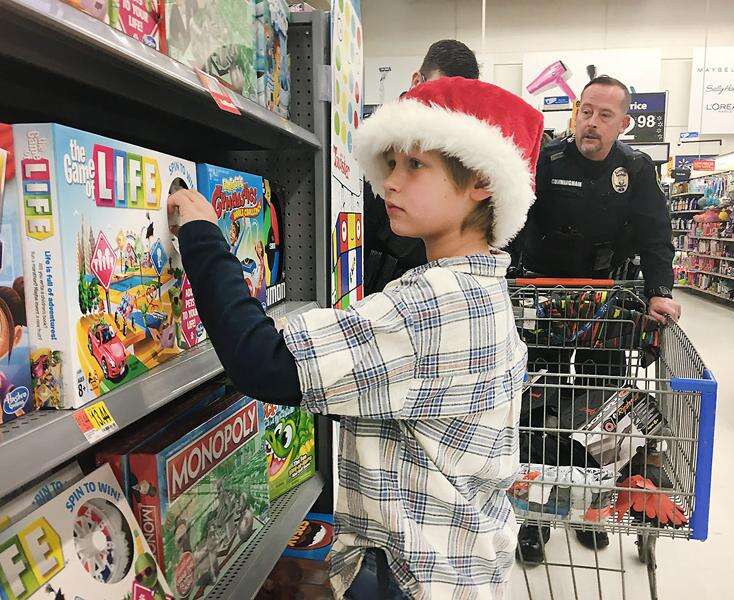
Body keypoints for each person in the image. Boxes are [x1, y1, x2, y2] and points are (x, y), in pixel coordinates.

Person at [169, 77, 544, 599]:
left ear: (481, 179)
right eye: (391, 164)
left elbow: (261, 361)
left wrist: (202, 235)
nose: (391, 182)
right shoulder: (486, 290)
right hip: (467, 562)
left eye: (416, 165)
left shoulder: (431, 303)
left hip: (414, 577)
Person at [510, 75, 681, 564]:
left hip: (606, 309)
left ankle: (587, 508)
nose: (591, 122)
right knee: (537, 411)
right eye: (585, 110)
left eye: (605, 115)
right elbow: (509, 221)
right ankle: (533, 518)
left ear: (624, 123)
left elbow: (655, 238)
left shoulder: (637, 170)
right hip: (539, 302)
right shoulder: (544, 159)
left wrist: (660, 292)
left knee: (597, 411)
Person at [364, 39, 480, 296]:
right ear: (417, 81)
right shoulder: (376, 137)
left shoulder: (460, 147)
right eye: (437, 92)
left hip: (430, 280)